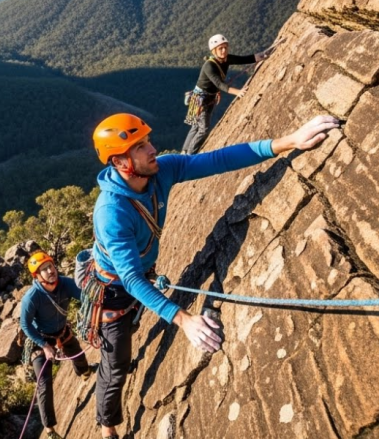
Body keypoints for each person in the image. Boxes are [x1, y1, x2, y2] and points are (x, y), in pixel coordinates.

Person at [89, 112, 339, 439]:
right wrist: (185, 320)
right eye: (140, 146)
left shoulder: (159, 171)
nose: (152, 149)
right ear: (120, 161)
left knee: (136, 322)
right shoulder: (112, 212)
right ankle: (108, 428)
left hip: (140, 274)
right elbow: (132, 281)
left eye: (147, 140)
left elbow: (218, 160)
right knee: (117, 362)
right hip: (114, 291)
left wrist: (290, 141)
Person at [19, 250, 93, 439]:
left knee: (78, 355)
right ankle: (50, 430)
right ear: (37, 275)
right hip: (40, 340)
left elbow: (84, 296)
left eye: (51, 266)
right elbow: (25, 325)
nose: (50, 271)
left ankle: (84, 373)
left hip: (62, 331)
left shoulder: (65, 283)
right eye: (44, 269)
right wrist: (44, 345)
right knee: (44, 383)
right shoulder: (32, 297)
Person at [181, 34, 275, 154]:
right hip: (201, 100)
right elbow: (219, 83)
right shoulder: (209, 66)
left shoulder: (227, 59)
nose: (224, 50)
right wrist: (238, 92)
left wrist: (262, 55)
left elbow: (245, 59)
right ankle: (189, 154)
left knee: (197, 126)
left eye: (225, 47)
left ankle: (184, 151)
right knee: (203, 129)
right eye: (220, 48)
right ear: (214, 51)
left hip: (208, 97)